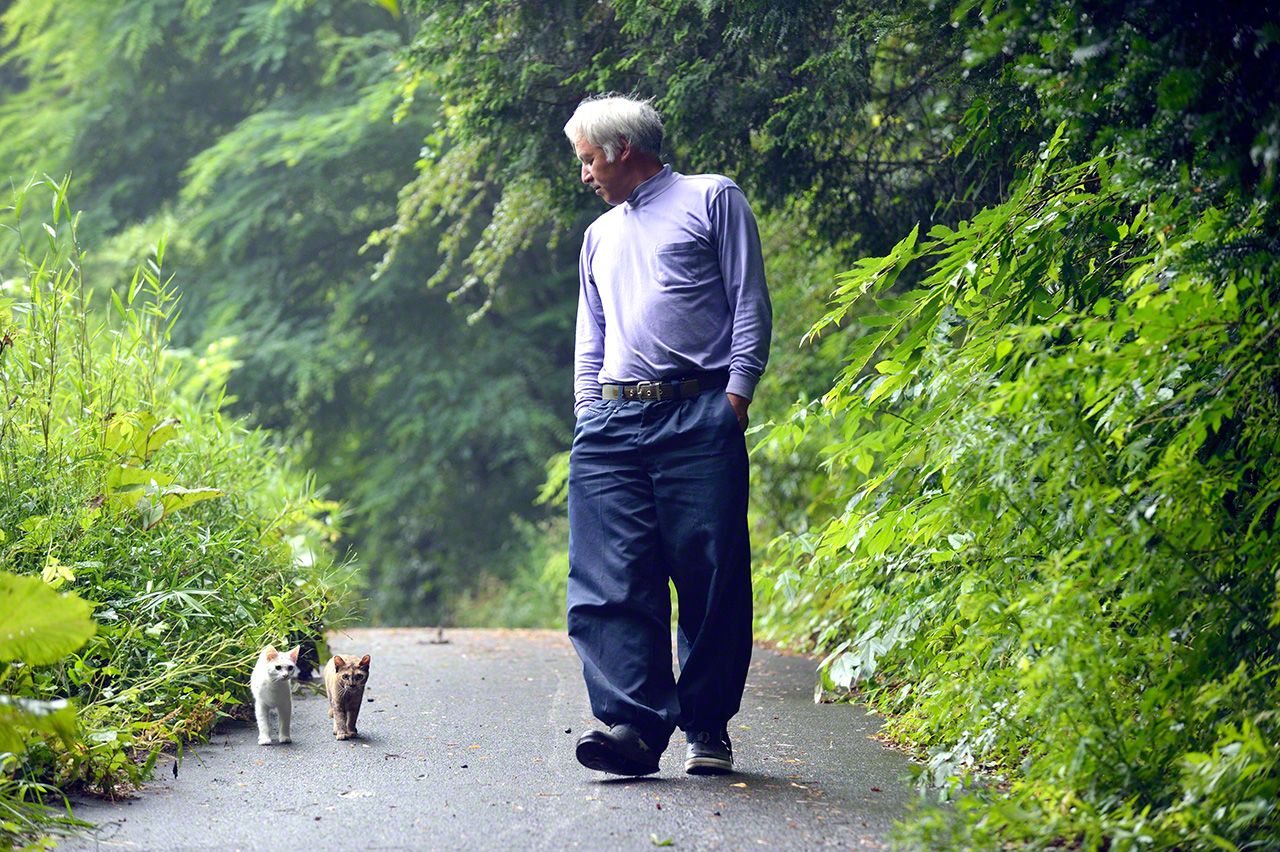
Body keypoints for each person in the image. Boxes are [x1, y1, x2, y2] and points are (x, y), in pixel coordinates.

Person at [562, 94, 772, 777]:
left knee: (709, 576)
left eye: (589, 158)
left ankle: (706, 726)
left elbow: (749, 301)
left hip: (697, 415)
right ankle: (632, 728)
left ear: (623, 148)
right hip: (611, 423)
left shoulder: (713, 198)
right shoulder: (600, 235)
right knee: (609, 580)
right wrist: (586, 409)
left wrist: (736, 397)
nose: (585, 173)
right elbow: (590, 333)